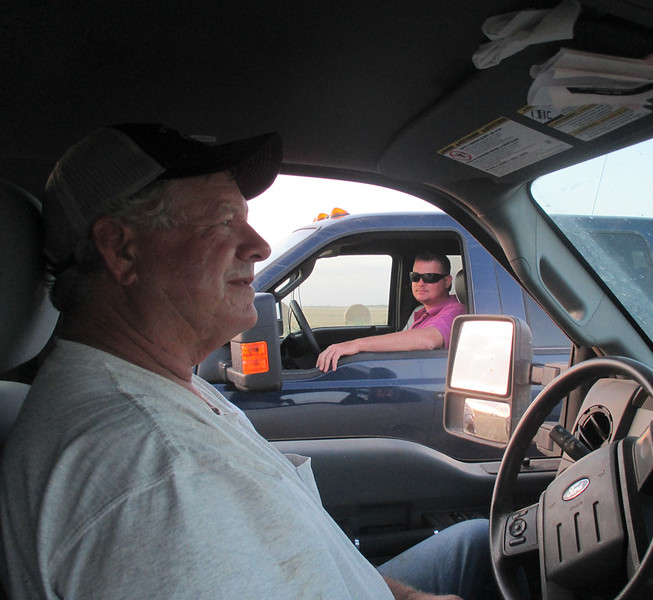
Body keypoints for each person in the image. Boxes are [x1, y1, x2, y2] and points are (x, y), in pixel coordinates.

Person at [0, 124, 499, 599]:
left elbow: (311, 558)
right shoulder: (157, 473)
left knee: (477, 542)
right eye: (223, 221)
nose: (259, 245)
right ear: (122, 250)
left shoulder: (163, 391)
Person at [316, 251, 467, 372]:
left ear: (447, 281)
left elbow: (427, 340)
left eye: (429, 277)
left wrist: (356, 345)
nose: (420, 283)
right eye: (415, 277)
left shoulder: (456, 312)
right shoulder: (421, 312)